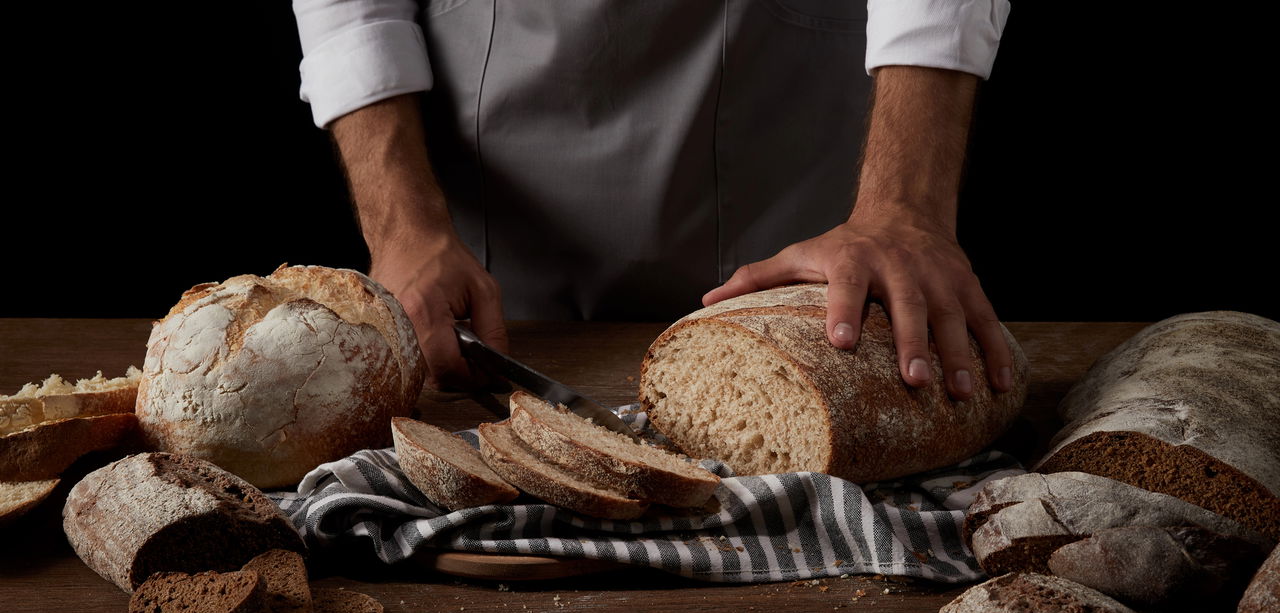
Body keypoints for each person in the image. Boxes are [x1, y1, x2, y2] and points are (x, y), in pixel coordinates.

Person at [292, 1, 1014, 399]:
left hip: (795, 138)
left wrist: (904, 205)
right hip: (491, 192)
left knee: (842, 391)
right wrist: (402, 225)